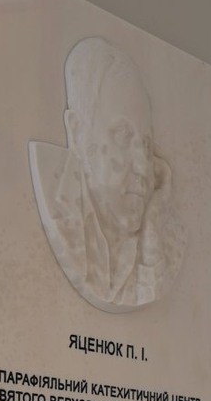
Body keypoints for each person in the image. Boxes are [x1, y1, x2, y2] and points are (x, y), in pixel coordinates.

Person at [28, 36, 176, 312]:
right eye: (122, 134)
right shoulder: (56, 203)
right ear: (77, 132)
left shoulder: (157, 237)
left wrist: (153, 238)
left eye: (146, 145)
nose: (142, 166)